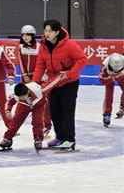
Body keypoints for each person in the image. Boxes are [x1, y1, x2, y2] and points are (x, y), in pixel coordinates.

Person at [32, 19, 87, 151]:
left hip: (69, 82)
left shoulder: (69, 45)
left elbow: (82, 59)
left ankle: (70, 140)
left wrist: (69, 73)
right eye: (45, 30)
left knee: (67, 110)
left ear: (57, 32)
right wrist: (35, 82)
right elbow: (40, 65)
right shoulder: (43, 46)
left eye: (50, 31)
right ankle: (61, 137)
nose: (47, 33)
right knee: (54, 110)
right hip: (53, 81)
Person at [0, 77, 61, 152]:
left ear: (28, 92)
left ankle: (38, 139)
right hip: (23, 106)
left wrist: (59, 77)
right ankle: (7, 138)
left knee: (37, 121)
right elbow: (9, 101)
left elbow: (50, 84)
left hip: (39, 105)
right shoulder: (17, 96)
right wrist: (7, 111)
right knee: (15, 121)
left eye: (23, 96)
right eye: (20, 97)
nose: (22, 98)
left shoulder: (40, 90)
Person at [17, 25, 52, 135]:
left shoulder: (40, 47)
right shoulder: (20, 47)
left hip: (38, 77)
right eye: (23, 35)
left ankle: (47, 125)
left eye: (28, 35)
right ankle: (15, 125)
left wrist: (40, 77)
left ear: (32, 36)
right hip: (25, 77)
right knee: (22, 101)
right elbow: (20, 62)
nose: (25, 37)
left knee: (43, 101)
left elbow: (42, 63)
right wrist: (24, 75)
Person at [98, 53, 124, 127]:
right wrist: (114, 78)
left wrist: (120, 75)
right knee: (108, 94)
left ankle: (122, 108)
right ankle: (107, 113)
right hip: (109, 76)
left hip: (122, 75)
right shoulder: (105, 66)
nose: (116, 70)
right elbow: (101, 80)